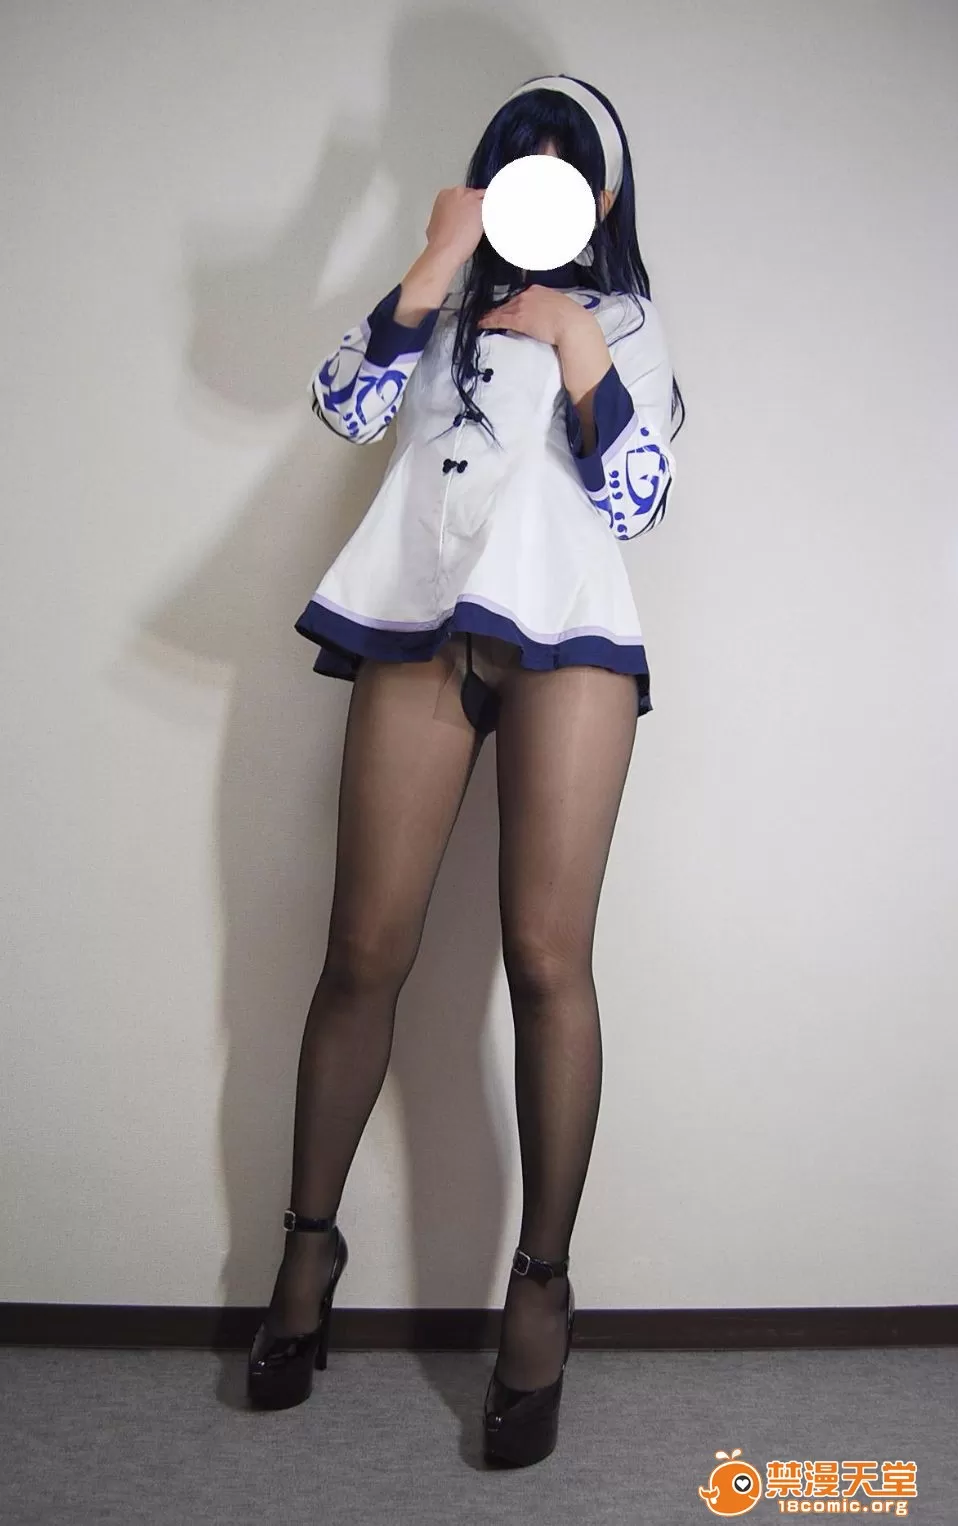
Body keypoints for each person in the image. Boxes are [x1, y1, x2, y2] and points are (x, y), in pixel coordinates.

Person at [247, 72, 686, 1468]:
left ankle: (541, 1289)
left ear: (600, 196)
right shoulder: (438, 304)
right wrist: (436, 258)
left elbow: (639, 501)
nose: (534, 190)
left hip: (571, 639)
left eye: (561, 171)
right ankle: (307, 1249)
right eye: (511, 169)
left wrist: (578, 340)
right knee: (361, 951)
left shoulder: (626, 318)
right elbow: (341, 405)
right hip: (421, 621)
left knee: (549, 961)